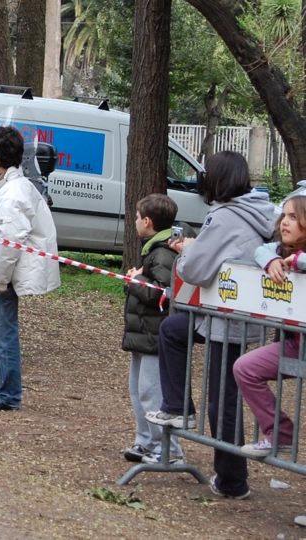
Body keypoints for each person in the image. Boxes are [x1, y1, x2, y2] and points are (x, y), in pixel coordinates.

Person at [145, 151, 275, 500]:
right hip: (230, 313)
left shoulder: (228, 217)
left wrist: (187, 250)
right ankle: (178, 408)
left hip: (227, 316)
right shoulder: (257, 210)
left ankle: (233, 481)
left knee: (222, 400)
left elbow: (194, 269)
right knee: (173, 330)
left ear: (217, 180)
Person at [0, 126, 59, 410]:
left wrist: (0, 282)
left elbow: (8, 243)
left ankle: (8, 395)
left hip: (6, 275)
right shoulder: (13, 185)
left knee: (1, 335)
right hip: (1, 273)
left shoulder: (13, 192)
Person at [122, 194, 195, 464]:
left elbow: (164, 292)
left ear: (148, 221)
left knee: (152, 392)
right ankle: (146, 442)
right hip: (142, 332)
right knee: (138, 390)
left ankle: (169, 449)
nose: (136, 222)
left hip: (155, 332)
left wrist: (136, 280)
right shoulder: (154, 248)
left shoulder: (162, 251)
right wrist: (139, 278)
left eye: (138, 218)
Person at [233, 195, 306, 460]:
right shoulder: (281, 251)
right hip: (297, 345)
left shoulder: (297, 257)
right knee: (245, 367)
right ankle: (280, 433)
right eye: (284, 216)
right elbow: (260, 249)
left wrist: (298, 261)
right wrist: (270, 260)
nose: (284, 222)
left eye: (294, 217)